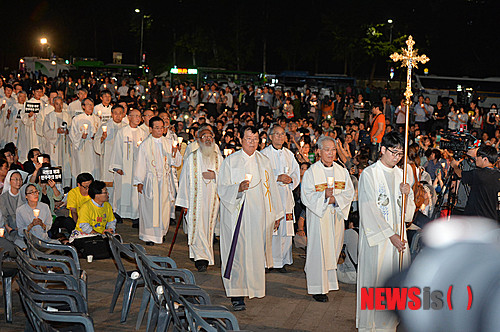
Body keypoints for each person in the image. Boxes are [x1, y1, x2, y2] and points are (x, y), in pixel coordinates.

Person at [217, 125, 284, 311]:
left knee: (254, 253)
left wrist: (277, 213)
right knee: (237, 253)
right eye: (248, 139)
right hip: (237, 214)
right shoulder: (231, 161)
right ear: (241, 140)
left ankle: (253, 288)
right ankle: (237, 295)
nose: (253, 143)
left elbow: (272, 189)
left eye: (255, 139)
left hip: (258, 215)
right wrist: (237, 189)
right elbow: (221, 187)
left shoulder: (264, 161)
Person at [356, 131, 415, 332]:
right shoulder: (369, 174)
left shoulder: (403, 174)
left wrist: (408, 195)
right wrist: (390, 235)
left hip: (399, 238)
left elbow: (408, 214)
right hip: (379, 240)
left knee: (394, 281)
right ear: (382, 149)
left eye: (400, 153)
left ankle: (390, 324)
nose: (397, 157)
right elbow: (369, 208)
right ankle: (371, 325)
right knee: (376, 280)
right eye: (393, 152)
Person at [300, 136, 355, 302]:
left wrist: (335, 200)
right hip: (319, 218)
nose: (331, 153)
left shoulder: (341, 171)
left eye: (333, 149)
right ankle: (317, 288)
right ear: (318, 151)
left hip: (336, 216)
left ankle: (329, 283)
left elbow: (349, 192)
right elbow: (306, 196)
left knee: (333, 250)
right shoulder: (311, 172)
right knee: (319, 251)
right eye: (327, 149)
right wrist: (324, 196)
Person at [176, 125, 223, 272]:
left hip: (213, 202)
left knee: (208, 229)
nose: (208, 139)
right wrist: (184, 203)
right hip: (195, 201)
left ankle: (206, 256)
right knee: (197, 228)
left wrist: (215, 176)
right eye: (204, 137)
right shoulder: (192, 158)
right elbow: (184, 180)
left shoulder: (219, 158)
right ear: (198, 139)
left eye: (210, 137)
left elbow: (227, 178)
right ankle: (200, 259)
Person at [133, 117, 181, 245]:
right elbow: (140, 164)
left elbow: (175, 163)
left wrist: (175, 153)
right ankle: (149, 236)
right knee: (150, 208)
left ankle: (161, 233)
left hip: (164, 181)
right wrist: (139, 181)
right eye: (157, 128)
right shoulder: (145, 145)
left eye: (162, 127)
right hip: (150, 180)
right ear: (151, 129)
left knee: (164, 208)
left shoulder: (169, 142)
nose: (160, 130)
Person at [261, 125, 300, 272]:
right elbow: (261, 174)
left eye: (282, 134)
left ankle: (282, 261)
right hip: (271, 196)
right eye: (276, 134)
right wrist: (277, 177)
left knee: (286, 230)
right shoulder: (264, 154)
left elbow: (296, 173)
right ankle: (268, 261)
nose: (279, 137)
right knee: (271, 229)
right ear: (270, 136)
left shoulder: (289, 154)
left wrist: (291, 180)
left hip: (286, 195)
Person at [109, 109, 144, 224]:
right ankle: (119, 213)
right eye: (135, 116)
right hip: (124, 166)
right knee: (121, 189)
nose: (138, 118)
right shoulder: (122, 132)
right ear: (129, 117)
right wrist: (117, 166)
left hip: (138, 166)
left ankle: (136, 215)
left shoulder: (143, 132)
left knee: (135, 191)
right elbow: (117, 150)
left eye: (139, 116)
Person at [451, 144, 500, 221]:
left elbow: (460, 174)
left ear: (485, 159)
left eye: (478, 156)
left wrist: (454, 166)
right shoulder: (497, 174)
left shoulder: (478, 174)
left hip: (475, 218)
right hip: (491, 218)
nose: (475, 158)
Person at [93, 104, 126, 204]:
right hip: (108, 159)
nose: (118, 116)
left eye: (120, 113)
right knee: (109, 185)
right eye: (115, 113)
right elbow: (96, 143)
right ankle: (109, 207)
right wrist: (102, 138)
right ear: (111, 114)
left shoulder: (126, 127)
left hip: (121, 161)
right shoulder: (105, 126)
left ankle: (119, 208)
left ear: (123, 114)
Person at [42, 96, 72, 187]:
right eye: (57, 104)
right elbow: (45, 131)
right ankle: (55, 187)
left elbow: (72, 129)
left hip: (65, 145)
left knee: (66, 166)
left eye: (61, 104)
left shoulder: (67, 115)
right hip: (54, 146)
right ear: (53, 104)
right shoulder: (49, 116)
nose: (59, 106)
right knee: (55, 165)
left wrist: (68, 132)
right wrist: (56, 131)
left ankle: (66, 187)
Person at [69, 98, 101, 180]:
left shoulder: (97, 119)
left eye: (92, 104)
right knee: (82, 168)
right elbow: (72, 134)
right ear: (83, 106)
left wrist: (97, 136)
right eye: (88, 104)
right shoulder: (77, 119)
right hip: (82, 149)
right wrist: (81, 136)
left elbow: (99, 133)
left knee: (94, 169)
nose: (91, 106)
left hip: (93, 148)